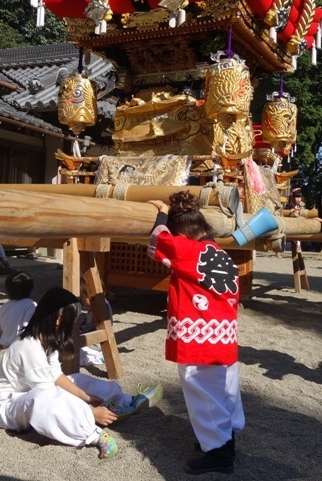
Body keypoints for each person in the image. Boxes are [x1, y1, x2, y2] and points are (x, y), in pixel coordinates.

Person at [0, 287, 163, 460]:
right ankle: (94, 435)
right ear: (59, 320)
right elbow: (48, 393)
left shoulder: (47, 340)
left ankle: (126, 401)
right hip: (10, 405)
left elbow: (56, 375)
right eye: (71, 321)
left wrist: (87, 397)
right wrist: (89, 412)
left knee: (77, 379)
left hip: (31, 393)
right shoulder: (28, 347)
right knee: (43, 398)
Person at [147, 191, 245, 476]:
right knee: (224, 393)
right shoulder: (220, 253)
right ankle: (223, 443)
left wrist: (162, 213)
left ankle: (220, 454)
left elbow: (159, 243)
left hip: (201, 337)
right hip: (223, 337)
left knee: (204, 393)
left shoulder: (190, 250)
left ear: (183, 234)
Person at [0, 271, 36, 349]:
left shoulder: (5, 306)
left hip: (3, 345)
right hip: (20, 346)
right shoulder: (31, 305)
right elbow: (27, 327)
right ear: (30, 289)